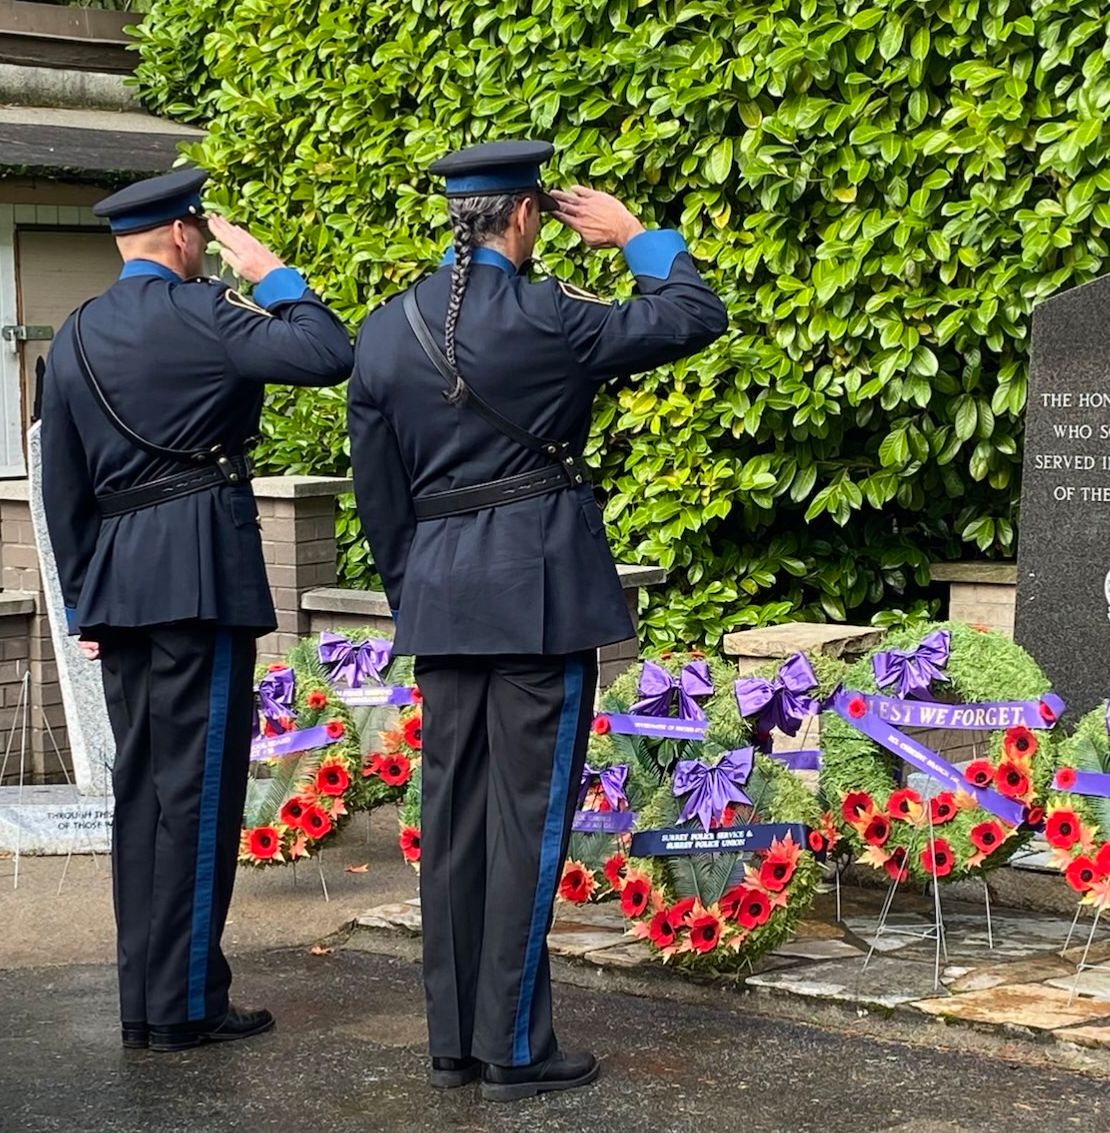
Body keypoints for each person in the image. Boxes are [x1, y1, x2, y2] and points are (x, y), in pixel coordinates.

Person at [347, 139, 727, 1101]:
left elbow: (380, 499)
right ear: (526, 216)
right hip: (539, 599)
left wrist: (420, 593)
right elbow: (692, 315)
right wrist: (639, 238)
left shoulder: (386, 330)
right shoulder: (549, 315)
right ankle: (512, 1046)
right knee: (526, 824)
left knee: (454, 825)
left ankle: (452, 1043)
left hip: (440, 602)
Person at [40, 167, 353, 1053]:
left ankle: (146, 999)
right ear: (184, 236)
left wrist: (84, 604)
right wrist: (275, 274)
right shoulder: (207, 312)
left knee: (141, 793)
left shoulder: (74, 335)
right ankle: (184, 1005)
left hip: (118, 587)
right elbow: (331, 352)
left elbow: (61, 485)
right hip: (199, 581)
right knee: (200, 793)